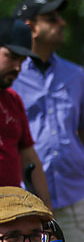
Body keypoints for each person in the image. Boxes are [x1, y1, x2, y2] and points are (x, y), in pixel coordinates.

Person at [12, 0, 84, 242]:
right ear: (31, 27)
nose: (62, 23)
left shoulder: (74, 74)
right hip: (23, 197)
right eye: (52, 18)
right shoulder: (11, 75)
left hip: (73, 190)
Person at [0, 18, 51, 210]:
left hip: (10, 212)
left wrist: (46, 211)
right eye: (12, 57)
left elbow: (29, 158)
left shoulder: (13, 100)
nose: (17, 68)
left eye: (22, 61)